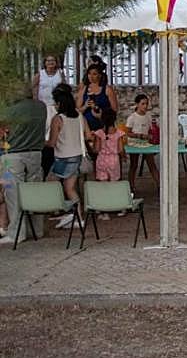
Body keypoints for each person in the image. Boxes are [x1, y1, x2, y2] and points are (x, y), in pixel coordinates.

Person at [0, 83, 48, 243]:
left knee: (12, 194)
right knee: (35, 193)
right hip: (36, 153)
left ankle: (16, 233)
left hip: (12, 156)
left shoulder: (9, 111)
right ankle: (37, 230)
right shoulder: (41, 107)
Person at [46, 84, 86, 230]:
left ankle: (61, 209)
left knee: (51, 182)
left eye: (56, 103)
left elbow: (52, 143)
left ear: (60, 103)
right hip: (77, 156)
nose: (55, 105)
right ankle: (78, 217)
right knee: (70, 188)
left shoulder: (58, 119)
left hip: (63, 157)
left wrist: (41, 142)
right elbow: (87, 135)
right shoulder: (79, 116)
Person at [33, 53, 67, 177]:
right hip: (44, 106)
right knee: (45, 129)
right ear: (45, 62)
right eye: (48, 61)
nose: (50, 63)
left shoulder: (60, 74)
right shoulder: (40, 74)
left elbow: (64, 88)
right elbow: (34, 89)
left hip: (56, 106)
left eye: (53, 60)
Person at [124, 93, 159, 188]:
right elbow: (127, 133)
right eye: (143, 104)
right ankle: (131, 186)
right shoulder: (132, 118)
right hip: (134, 143)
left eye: (146, 104)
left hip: (146, 143)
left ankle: (159, 185)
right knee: (134, 165)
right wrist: (139, 135)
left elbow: (151, 129)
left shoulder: (148, 116)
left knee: (152, 164)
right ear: (137, 104)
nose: (145, 106)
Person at [90, 107, 126, 198]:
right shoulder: (119, 133)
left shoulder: (99, 133)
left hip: (101, 160)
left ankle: (104, 202)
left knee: (103, 185)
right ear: (114, 119)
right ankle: (113, 201)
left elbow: (96, 150)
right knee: (114, 184)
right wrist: (124, 156)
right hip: (114, 161)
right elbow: (120, 150)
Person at [76, 62, 118, 132]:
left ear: (100, 75)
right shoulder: (84, 89)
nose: (91, 76)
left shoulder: (107, 89)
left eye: (94, 74)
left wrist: (98, 109)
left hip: (103, 125)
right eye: (89, 74)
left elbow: (114, 109)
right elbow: (77, 110)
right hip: (87, 126)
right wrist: (85, 106)